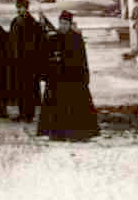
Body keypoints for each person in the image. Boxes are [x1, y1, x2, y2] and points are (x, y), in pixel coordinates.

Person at [36, 10, 99, 141]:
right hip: (57, 78)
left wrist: (84, 76)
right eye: (61, 23)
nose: (63, 26)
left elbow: (82, 59)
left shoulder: (76, 38)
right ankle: (57, 133)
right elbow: (46, 52)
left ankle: (77, 133)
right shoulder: (55, 37)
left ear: (70, 24)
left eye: (65, 23)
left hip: (73, 78)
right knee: (56, 107)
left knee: (75, 107)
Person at [8, 0, 43, 123]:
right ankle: (22, 112)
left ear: (26, 8)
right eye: (17, 7)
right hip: (17, 60)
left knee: (29, 88)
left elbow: (37, 41)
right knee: (20, 87)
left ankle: (29, 114)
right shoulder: (15, 21)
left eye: (21, 7)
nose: (19, 9)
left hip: (29, 61)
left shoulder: (31, 22)